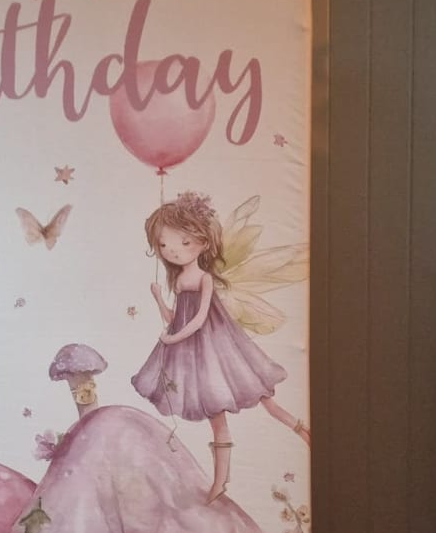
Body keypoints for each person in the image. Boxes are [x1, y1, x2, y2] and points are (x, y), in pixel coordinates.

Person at [131, 191, 309, 502]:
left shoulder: (204, 279)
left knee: (265, 400)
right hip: (196, 356)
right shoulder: (178, 281)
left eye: (184, 242)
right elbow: (175, 319)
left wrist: (173, 339)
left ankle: (303, 431)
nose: (172, 251)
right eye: (164, 245)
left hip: (218, 350)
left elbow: (199, 320)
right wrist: (158, 299)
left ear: (203, 243)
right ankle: (220, 482)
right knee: (217, 415)